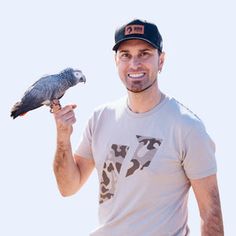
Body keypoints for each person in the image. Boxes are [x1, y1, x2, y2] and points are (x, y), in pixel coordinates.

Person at [53, 19, 224, 236]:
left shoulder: (187, 127)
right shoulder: (100, 118)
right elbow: (68, 187)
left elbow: (211, 214)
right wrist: (62, 138)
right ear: (116, 61)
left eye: (144, 54)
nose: (134, 64)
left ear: (161, 61)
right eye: (125, 55)